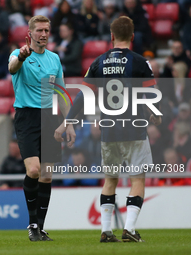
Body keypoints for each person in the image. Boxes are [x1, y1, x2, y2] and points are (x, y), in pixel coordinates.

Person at [54, 16, 162, 242]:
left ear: (111, 37)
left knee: (110, 179)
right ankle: (130, 229)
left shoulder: (98, 63)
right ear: (132, 37)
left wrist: (68, 121)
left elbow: (84, 97)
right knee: (137, 179)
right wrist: (155, 113)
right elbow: (151, 96)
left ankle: (105, 231)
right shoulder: (141, 63)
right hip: (133, 129)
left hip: (109, 130)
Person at [8, 15, 75, 241]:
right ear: (30, 33)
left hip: (51, 116)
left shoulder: (54, 59)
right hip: (27, 115)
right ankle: (32, 223)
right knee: (34, 170)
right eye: (39, 30)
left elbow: (61, 93)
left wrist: (69, 124)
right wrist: (21, 56)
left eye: (46, 30)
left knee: (46, 175)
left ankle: (40, 228)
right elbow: (12, 67)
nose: (44, 34)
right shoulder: (19, 54)